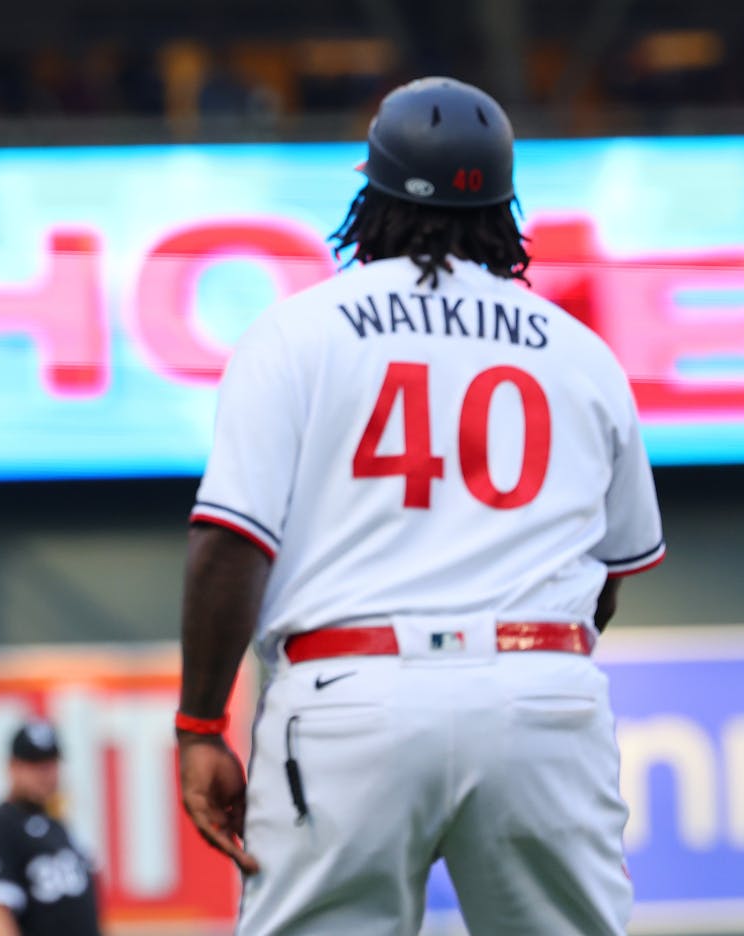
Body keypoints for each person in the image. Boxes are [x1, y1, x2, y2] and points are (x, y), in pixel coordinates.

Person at [175, 76, 665, 935]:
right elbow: (608, 583)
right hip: (539, 687)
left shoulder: (300, 330)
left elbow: (229, 545)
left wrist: (201, 724)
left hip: (349, 694)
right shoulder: (583, 354)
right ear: (507, 208)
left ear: (373, 192)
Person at [0, 721, 102, 936]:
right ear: (13, 767)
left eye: (50, 763)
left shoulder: (58, 826)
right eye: (34, 764)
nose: (44, 774)